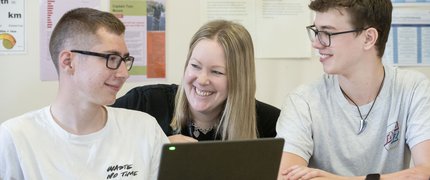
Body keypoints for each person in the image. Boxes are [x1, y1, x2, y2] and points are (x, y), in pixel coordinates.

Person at [0, 8, 168, 179]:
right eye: (111, 58)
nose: (124, 73)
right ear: (68, 62)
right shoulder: (16, 137)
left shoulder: (145, 129)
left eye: (125, 60)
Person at [276, 0, 430, 179]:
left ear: (368, 38)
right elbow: (286, 177)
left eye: (327, 33)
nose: (317, 44)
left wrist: (336, 179)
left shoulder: (413, 89)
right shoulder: (302, 101)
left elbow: (426, 172)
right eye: (316, 32)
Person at [112, 20, 280, 142]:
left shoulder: (270, 123)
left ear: (240, 78)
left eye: (216, 72)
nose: (202, 80)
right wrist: (157, 149)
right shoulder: (145, 103)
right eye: (195, 66)